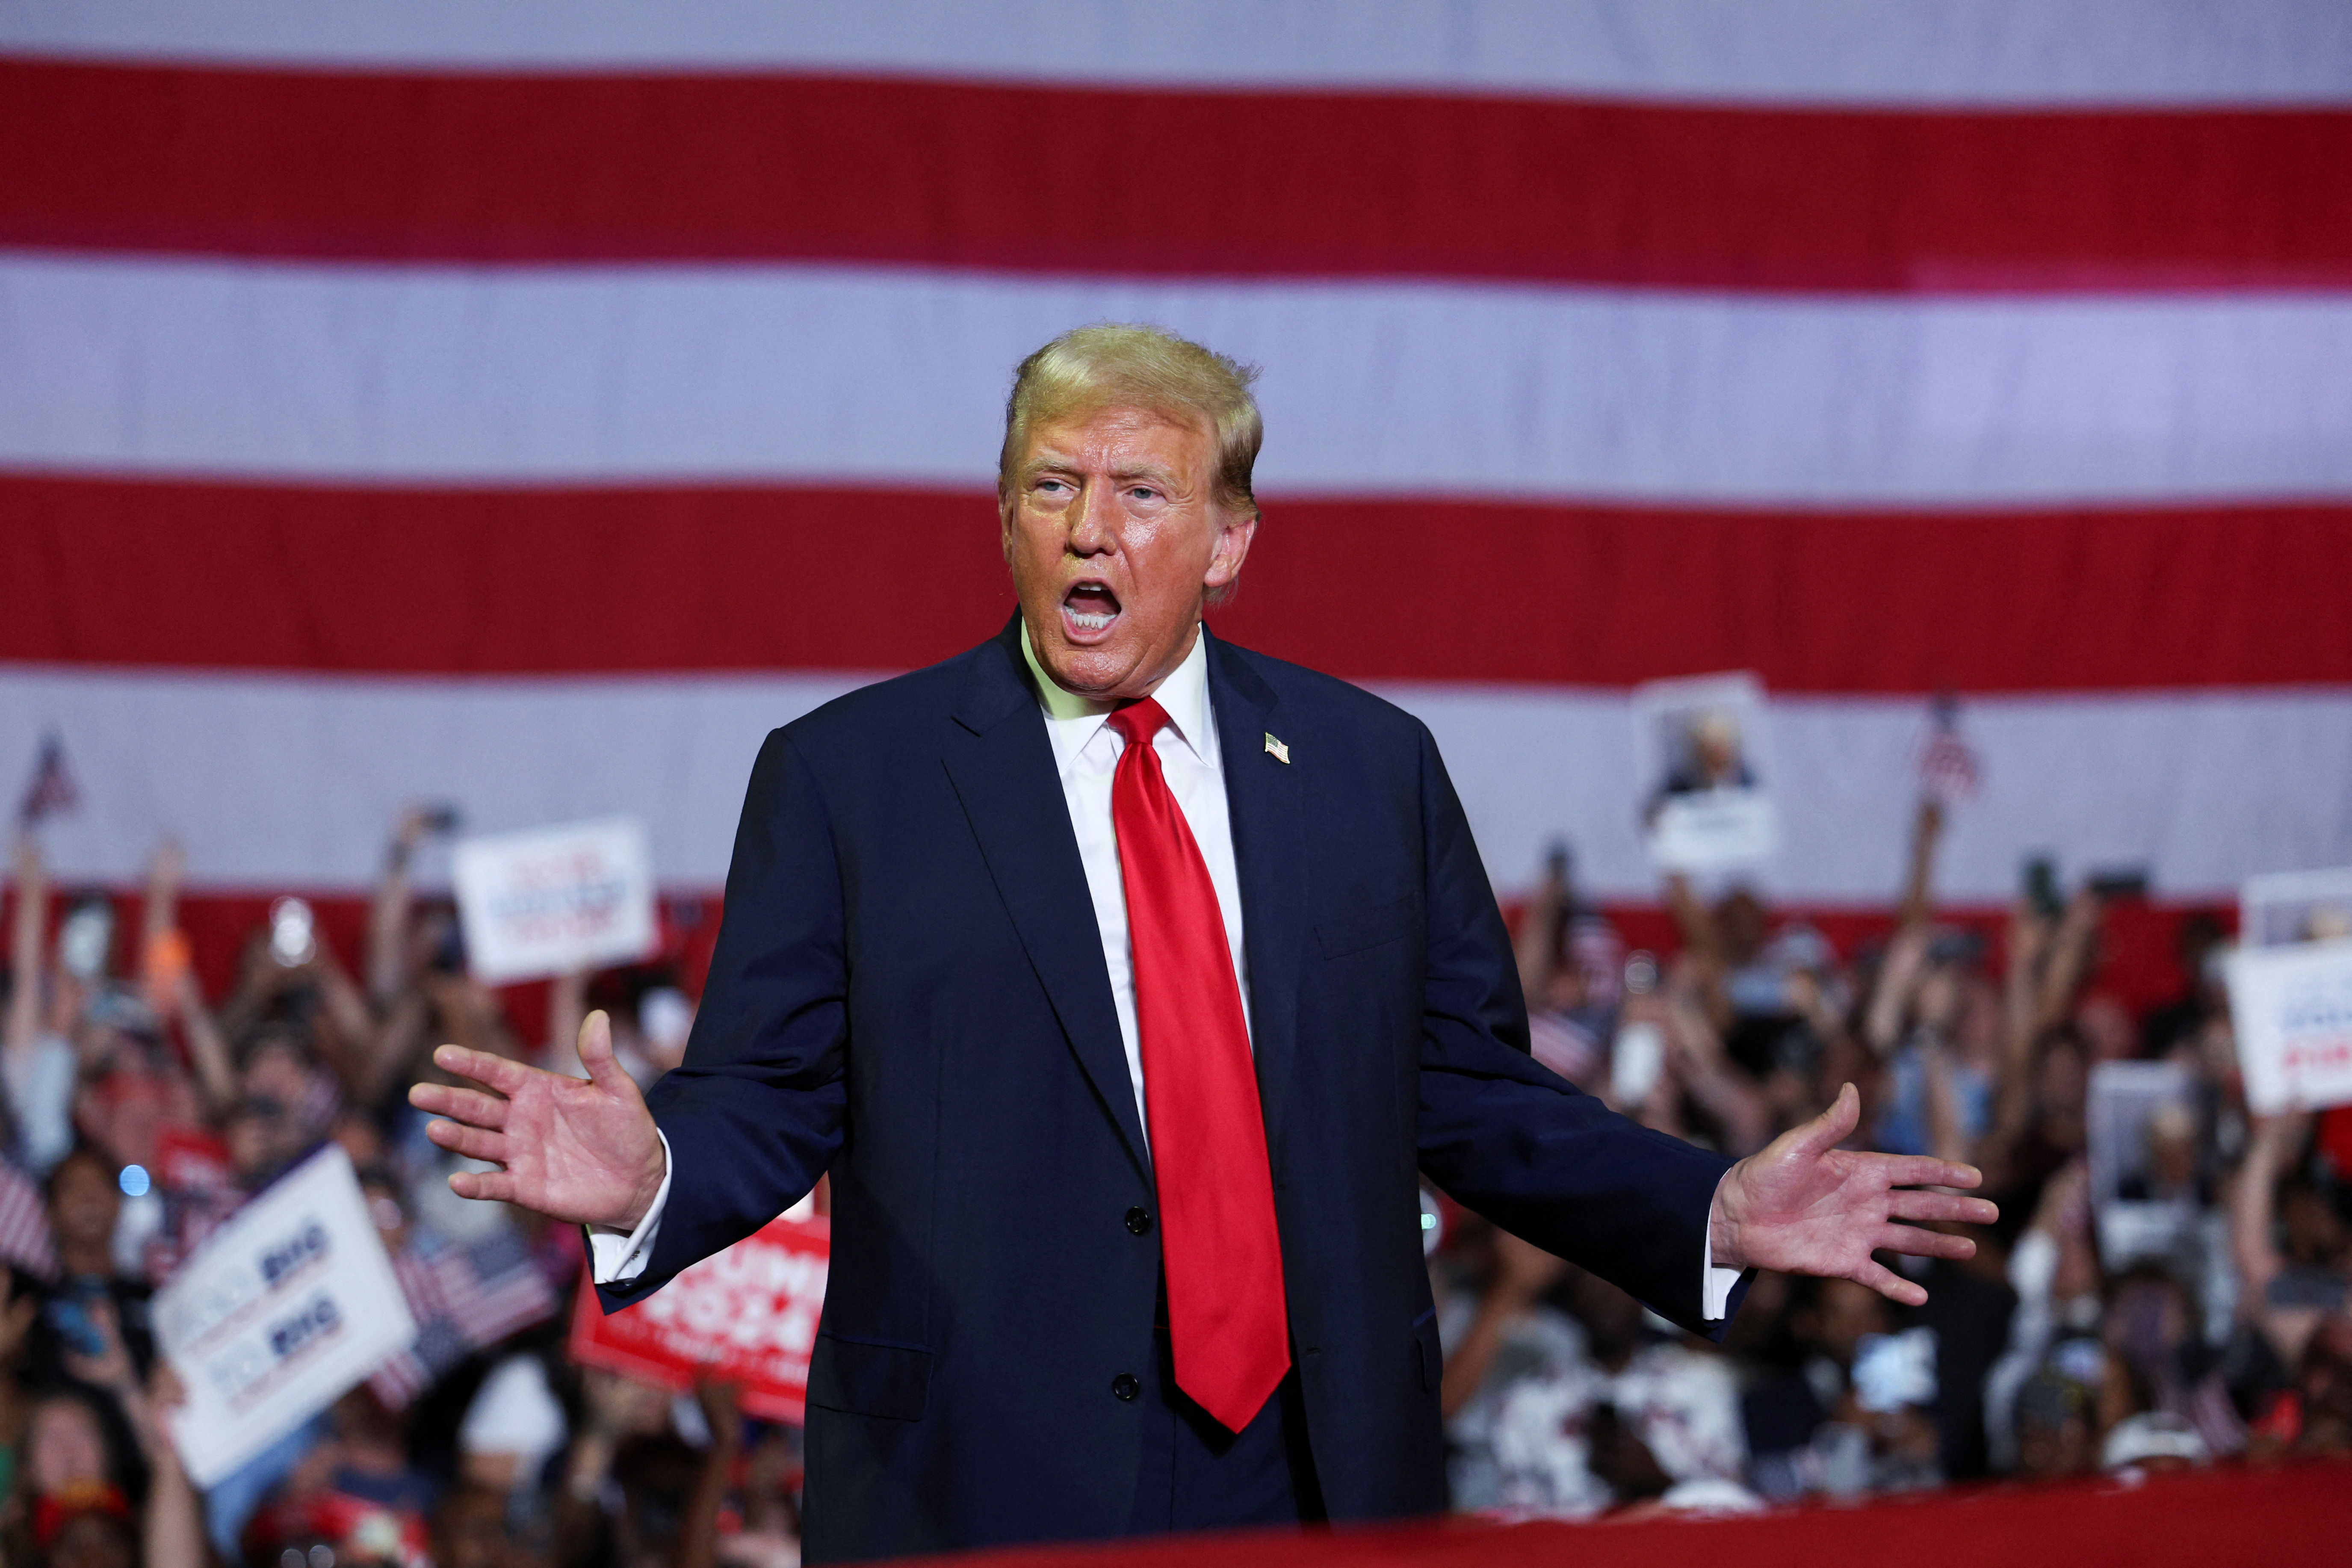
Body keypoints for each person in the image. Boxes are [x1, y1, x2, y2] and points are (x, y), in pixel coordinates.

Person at [412, 325, 1995, 1560]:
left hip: (1312, 1476)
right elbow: (769, 1091)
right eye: (1050, 485)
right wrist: (654, 1174)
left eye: (1137, 492)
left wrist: (1702, 1203)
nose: (1085, 528)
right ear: (1006, 514)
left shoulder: (1370, 770)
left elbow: (1468, 1098)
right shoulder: (851, 777)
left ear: (1229, 539)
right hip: (981, 1477)